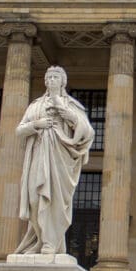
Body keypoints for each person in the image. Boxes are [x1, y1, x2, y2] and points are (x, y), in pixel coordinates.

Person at [15, 66, 94, 255]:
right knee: (35, 198)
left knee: (56, 201)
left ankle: (51, 242)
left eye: (55, 77)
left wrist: (68, 115)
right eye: (48, 77)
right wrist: (36, 124)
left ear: (63, 82)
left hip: (61, 158)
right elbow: (19, 131)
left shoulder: (71, 105)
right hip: (39, 154)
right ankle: (40, 240)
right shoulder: (35, 106)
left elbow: (88, 131)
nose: (51, 80)